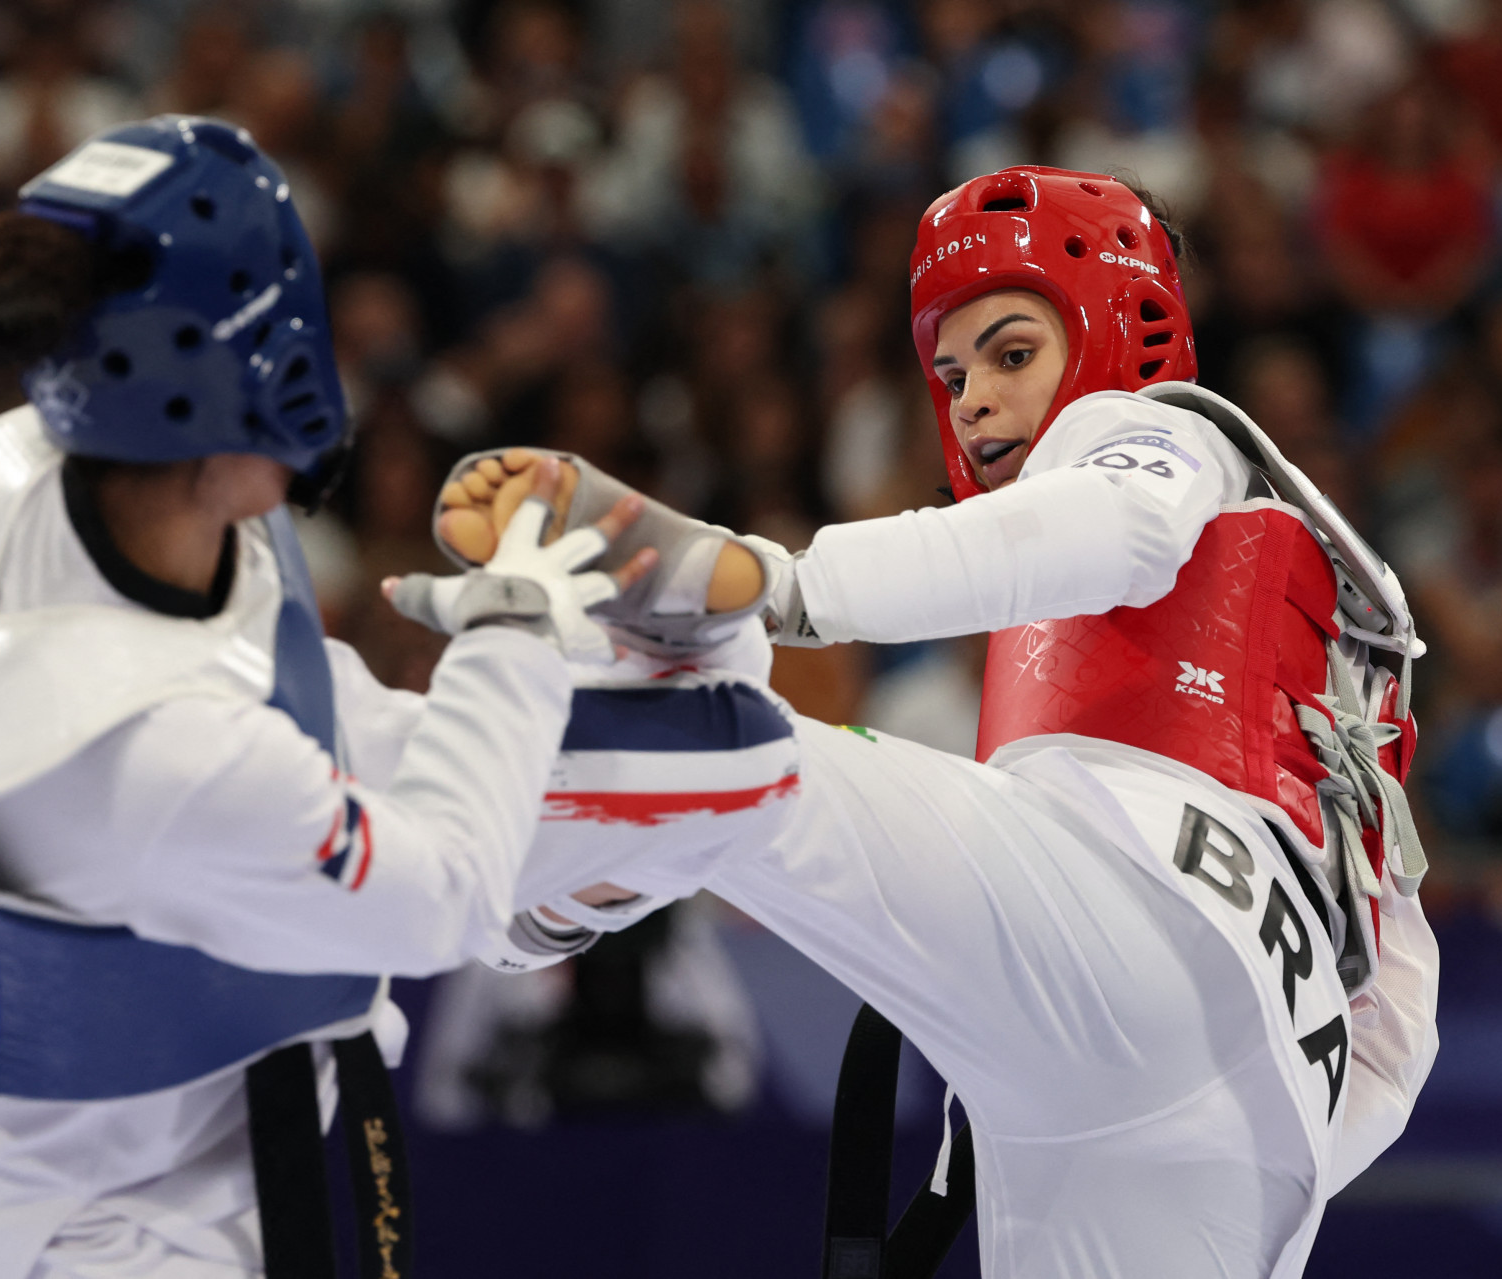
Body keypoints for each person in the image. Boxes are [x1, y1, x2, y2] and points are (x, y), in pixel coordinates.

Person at [416, 167, 1440, 1279]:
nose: (972, 400)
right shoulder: (1330, 647)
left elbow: (1119, 526)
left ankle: (548, 827)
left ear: (1119, 333)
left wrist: (777, 581)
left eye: (1011, 352)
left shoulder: (1160, 434)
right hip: (1233, 1135)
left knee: (752, 758)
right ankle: (592, 852)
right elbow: (1398, 1016)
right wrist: (1285, 1103)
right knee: (759, 788)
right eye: (951, 374)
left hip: (1164, 919)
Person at [0, 115, 710, 1279]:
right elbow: (440, 897)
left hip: (249, 1109)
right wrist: (518, 623)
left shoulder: (37, 483)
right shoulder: (135, 746)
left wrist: (616, 770)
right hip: (108, 1225)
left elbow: (310, 714)